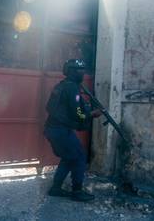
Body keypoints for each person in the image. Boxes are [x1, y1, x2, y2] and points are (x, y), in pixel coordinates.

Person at [44, 59, 101, 202]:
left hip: (54, 129)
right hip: (60, 130)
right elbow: (77, 113)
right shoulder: (72, 88)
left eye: (82, 70)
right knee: (79, 157)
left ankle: (56, 188)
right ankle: (77, 191)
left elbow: (52, 107)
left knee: (69, 157)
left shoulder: (63, 86)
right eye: (79, 70)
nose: (82, 73)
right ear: (71, 72)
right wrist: (90, 114)